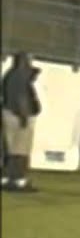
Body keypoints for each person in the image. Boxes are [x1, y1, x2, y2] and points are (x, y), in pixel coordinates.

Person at [1, 52, 42, 193]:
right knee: (21, 151)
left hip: (9, 113)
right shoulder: (20, 77)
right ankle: (19, 180)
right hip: (19, 116)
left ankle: (6, 178)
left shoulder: (9, 75)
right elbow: (22, 97)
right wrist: (24, 116)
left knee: (11, 149)